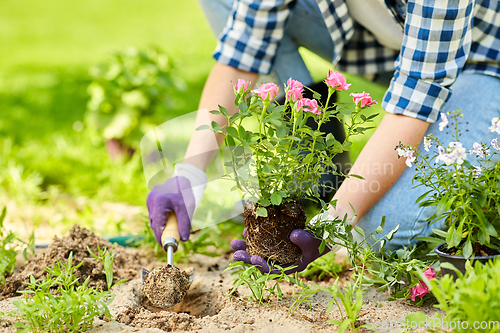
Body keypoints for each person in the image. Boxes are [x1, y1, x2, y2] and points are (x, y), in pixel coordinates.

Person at [147, 0, 500, 273]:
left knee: (385, 231)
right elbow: (244, 45)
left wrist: (335, 226)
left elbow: (415, 100)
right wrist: (190, 173)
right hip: (398, 44)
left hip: (484, 62)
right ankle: (318, 176)